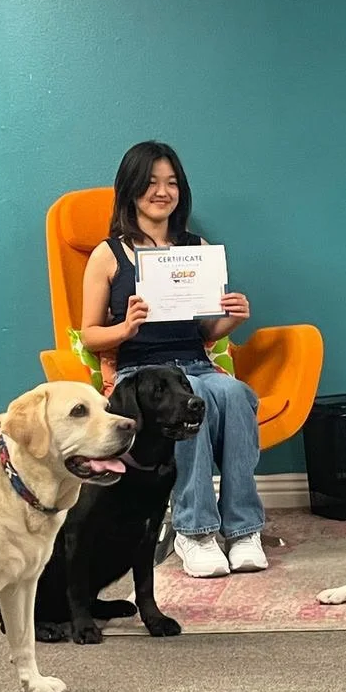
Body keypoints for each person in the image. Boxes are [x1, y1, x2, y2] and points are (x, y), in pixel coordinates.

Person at [80, 141, 267, 578]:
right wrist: (126, 328)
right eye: (151, 183)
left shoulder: (196, 248)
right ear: (130, 189)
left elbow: (204, 332)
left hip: (194, 364)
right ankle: (194, 531)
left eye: (171, 183)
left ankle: (243, 529)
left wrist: (232, 318)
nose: (162, 192)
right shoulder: (108, 254)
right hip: (142, 373)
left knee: (236, 393)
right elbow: (89, 333)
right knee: (190, 397)